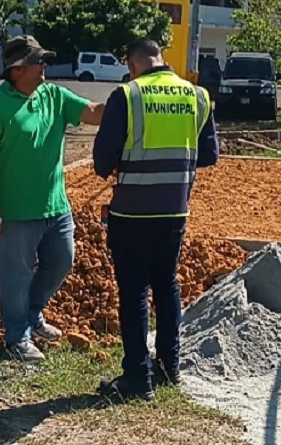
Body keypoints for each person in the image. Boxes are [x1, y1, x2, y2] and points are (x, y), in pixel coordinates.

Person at [92, 38, 219, 401]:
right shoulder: (196, 96)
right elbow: (209, 155)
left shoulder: (128, 96)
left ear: (131, 64)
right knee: (166, 284)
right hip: (175, 209)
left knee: (134, 291)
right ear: (160, 58)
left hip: (131, 211)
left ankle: (137, 378)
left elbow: (102, 162)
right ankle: (169, 367)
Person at [0, 36, 105, 362]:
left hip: (56, 206)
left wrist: (131, 102)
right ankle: (17, 337)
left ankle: (32, 314)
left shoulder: (54, 95)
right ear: (17, 69)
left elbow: (94, 112)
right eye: (39, 61)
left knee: (61, 261)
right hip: (16, 210)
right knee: (16, 276)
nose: (45, 67)